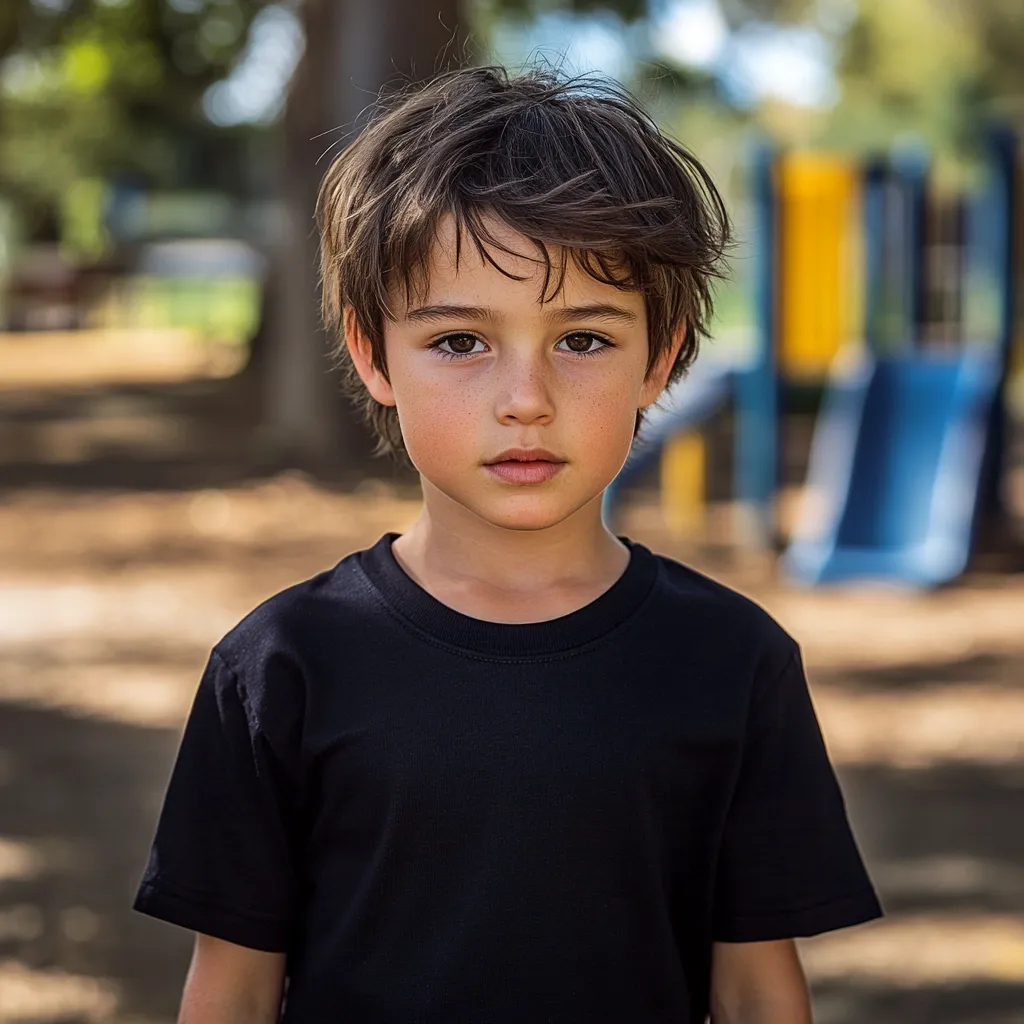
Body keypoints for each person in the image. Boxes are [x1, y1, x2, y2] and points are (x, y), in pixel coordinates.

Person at [133, 65, 883, 1023]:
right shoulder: (280, 665)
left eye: (583, 340)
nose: (525, 398)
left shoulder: (735, 662)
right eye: (459, 342)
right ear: (373, 353)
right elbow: (232, 992)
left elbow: (755, 990)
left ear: (661, 355)